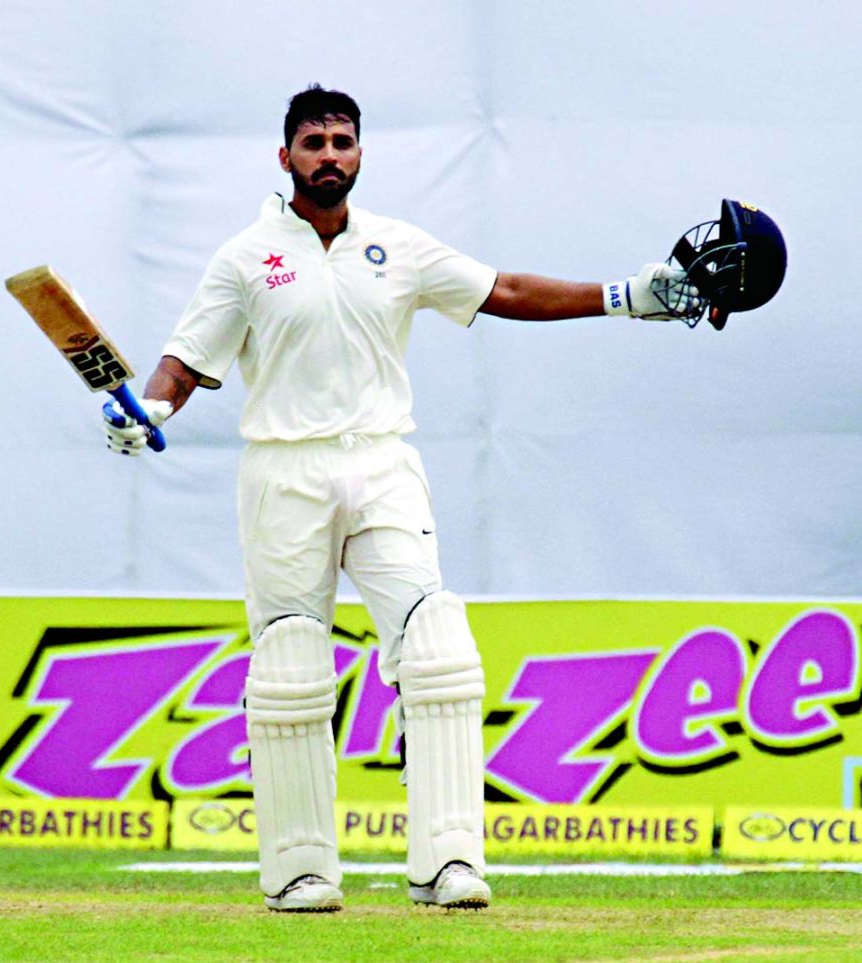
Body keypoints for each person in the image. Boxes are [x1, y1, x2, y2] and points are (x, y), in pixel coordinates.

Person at [103, 84, 701, 913]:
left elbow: (505, 291)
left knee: (437, 651)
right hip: (284, 471)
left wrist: (627, 296)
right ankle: (300, 870)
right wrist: (151, 408)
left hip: (382, 461)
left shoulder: (396, 245)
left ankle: (447, 862)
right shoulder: (245, 257)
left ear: (358, 154)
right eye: (311, 142)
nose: (328, 155)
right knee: (288, 664)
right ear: (285, 158)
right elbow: (182, 360)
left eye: (341, 141)